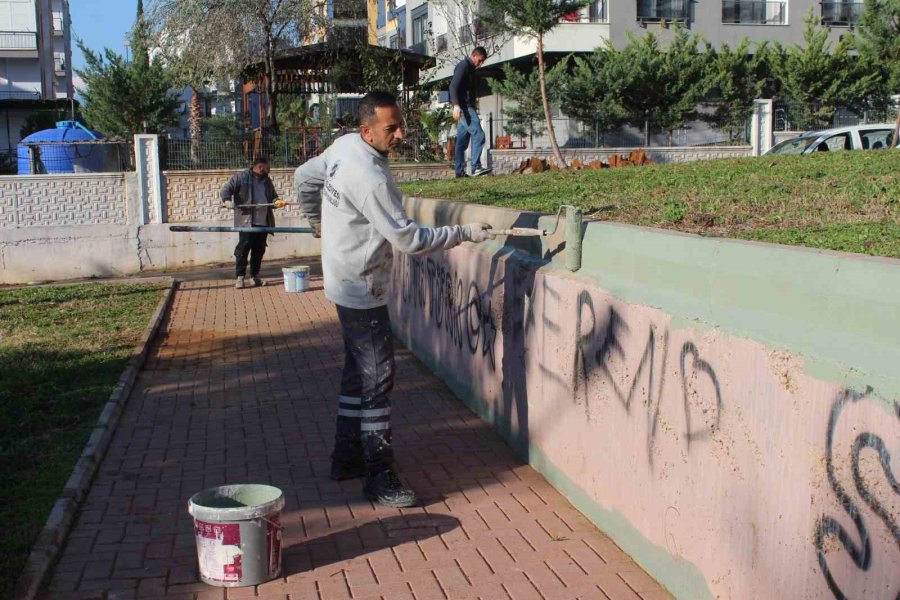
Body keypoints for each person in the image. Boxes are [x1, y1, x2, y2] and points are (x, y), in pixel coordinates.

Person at [294, 91, 495, 508]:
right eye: (391, 129)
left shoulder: (342, 146)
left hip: (340, 278)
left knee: (357, 373)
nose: (400, 133)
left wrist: (316, 220)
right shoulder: (368, 174)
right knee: (377, 379)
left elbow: (302, 178)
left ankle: (345, 457)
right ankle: (378, 474)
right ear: (367, 130)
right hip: (362, 287)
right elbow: (407, 239)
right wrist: (463, 233)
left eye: (400, 124)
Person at [220, 156, 284, 289]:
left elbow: (273, 196)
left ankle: (254, 277)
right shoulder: (241, 177)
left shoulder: (267, 181)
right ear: (261, 166)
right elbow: (226, 190)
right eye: (268, 166)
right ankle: (240, 278)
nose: (269, 169)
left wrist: (276, 202)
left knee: (258, 250)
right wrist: (227, 201)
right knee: (243, 249)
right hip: (246, 222)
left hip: (263, 222)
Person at [450, 46, 491, 178]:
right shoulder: (463, 66)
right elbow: (453, 86)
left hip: (465, 108)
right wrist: (456, 106)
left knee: (461, 143)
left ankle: (459, 172)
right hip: (464, 108)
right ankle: (475, 167)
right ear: (474, 56)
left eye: (482, 61)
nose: (481, 63)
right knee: (479, 134)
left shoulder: (471, 69)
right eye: (480, 60)